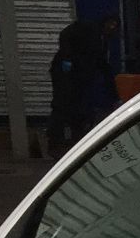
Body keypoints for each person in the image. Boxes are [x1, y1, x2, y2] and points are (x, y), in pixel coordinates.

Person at [47, 14, 118, 157]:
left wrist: (114, 93)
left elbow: (102, 65)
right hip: (65, 74)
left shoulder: (101, 42)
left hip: (80, 77)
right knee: (61, 107)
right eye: (111, 25)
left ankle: (75, 143)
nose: (112, 29)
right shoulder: (88, 28)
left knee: (79, 109)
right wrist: (67, 58)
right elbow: (65, 34)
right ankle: (55, 143)